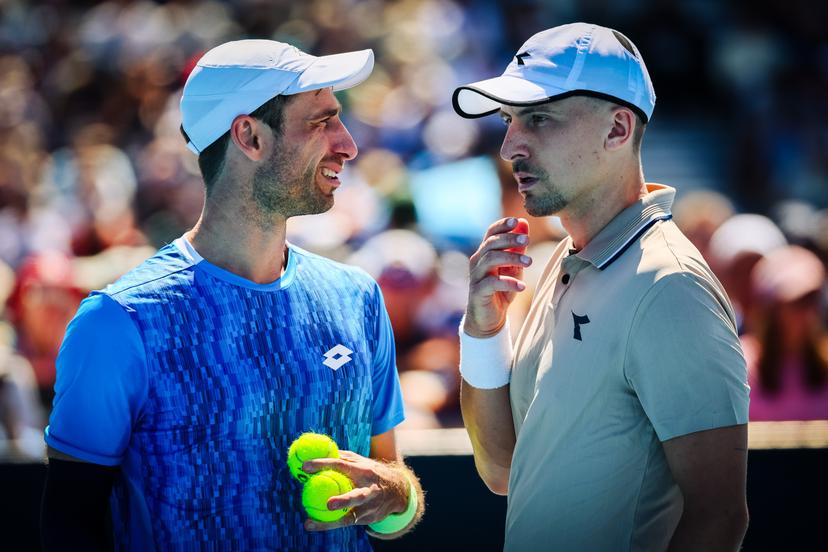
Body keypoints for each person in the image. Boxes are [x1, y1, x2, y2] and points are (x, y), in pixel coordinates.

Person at [41, 40, 424, 550]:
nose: (348, 144)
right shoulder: (116, 323)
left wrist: (396, 492)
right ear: (249, 135)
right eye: (321, 121)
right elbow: (69, 528)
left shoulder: (358, 297)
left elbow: (391, 485)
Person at [452, 23, 750, 551]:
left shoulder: (671, 285)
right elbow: (501, 469)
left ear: (617, 129)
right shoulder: (567, 260)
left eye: (537, 119)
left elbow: (719, 519)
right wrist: (483, 330)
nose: (508, 146)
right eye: (509, 120)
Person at [742, 245, 828, 420]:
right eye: (798, 302)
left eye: (813, 300)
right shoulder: (741, 363)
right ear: (771, 311)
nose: (809, 312)